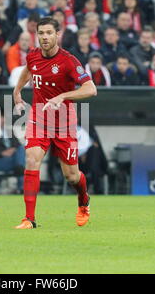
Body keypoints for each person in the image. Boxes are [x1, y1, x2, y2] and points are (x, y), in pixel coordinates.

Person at [12, 16, 97, 229]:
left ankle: (83, 199)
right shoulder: (33, 56)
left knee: (71, 176)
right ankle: (29, 219)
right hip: (39, 117)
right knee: (31, 159)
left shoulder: (69, 61)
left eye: (49, 33)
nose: (45, 37)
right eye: (41, 33)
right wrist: (17, 89)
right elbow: (28, 69)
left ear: (58, 35)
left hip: (64, 123)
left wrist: (62, 96)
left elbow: (91, 89)